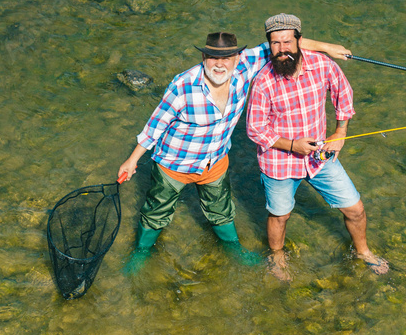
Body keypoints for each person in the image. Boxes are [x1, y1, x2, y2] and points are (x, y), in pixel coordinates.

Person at [118, 30, 350, 275]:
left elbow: (282, 45)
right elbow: (155, 126)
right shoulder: (183, 85)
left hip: (215, 162)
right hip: (174, 164)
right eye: (212, 57)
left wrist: (327, 47)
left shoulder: (244, 68)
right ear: (204, 57)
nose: (219, 64)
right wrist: (132, 160)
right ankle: (141, 253)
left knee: (221, 210)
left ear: (238, 58)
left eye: (226, 58)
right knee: (156, 211)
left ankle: (233, 248)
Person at [246, 13, 390, 281]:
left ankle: (363, 252)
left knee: (355, 209)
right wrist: (292, 145)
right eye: (275, 44)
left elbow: (343, 94)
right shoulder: (263, 80)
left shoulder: (323, 66)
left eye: (287, 42)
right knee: (280, 216)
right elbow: (255, 128)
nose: (282, 50)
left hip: (320, 157)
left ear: (300, 41)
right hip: (279, 162)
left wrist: (340, 132)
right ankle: (277, 257)